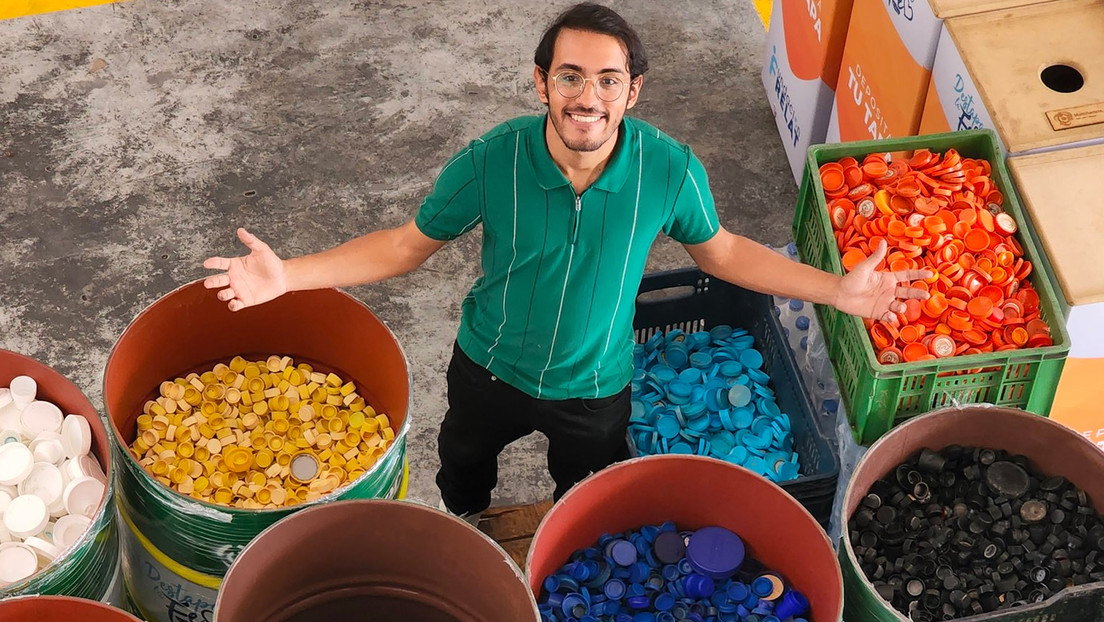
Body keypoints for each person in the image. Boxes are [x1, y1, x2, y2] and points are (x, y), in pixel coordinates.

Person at [202, 2, 928, 524]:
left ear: (633, 91)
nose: (589, 97)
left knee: (581, 494)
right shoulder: (491, 162)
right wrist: (289, 274)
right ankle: (471, 521)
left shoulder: (668, 170)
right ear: (541, 81)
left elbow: (725, 252)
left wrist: (837, 291)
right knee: (462, 470)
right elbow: (404, 244)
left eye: (608, 80)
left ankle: (558, 527)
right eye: (571, 76)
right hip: (487, 368)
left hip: (596, 388)